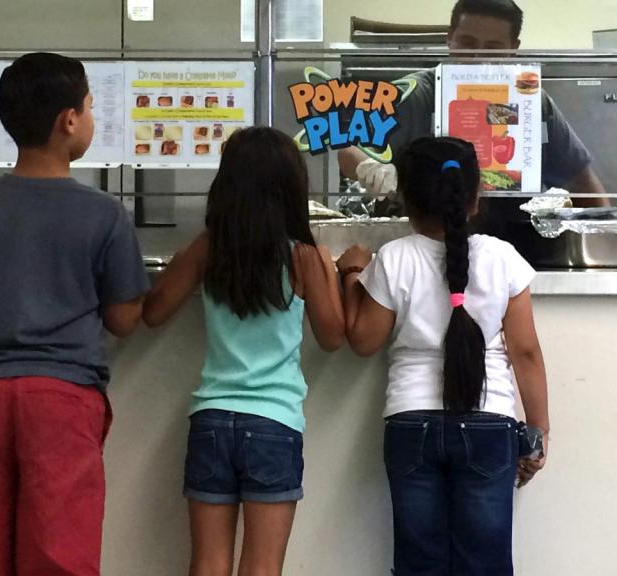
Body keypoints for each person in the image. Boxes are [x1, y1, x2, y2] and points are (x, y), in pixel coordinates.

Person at [0, 52, 150, 576]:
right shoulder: (104, 213)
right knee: (58, 553)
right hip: (63, 397)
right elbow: (123, 319)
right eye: (91, 108)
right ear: (69, 120)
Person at [338, 136, 549, 575]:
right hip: (490, 423)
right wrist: (539, 431)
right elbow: (525, 351)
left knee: (419, 563)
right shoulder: (502, 257)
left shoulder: (394, 258)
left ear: (407, 200)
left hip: (411, 420)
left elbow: (362, 340)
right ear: (474, 197)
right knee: (486, 562)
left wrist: (353, 274)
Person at [142, 127, 345, 576]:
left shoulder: (208, 248)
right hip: (275, 423)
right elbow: (333, 336)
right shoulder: (304, 257)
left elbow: (153, 313)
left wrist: (182, 262)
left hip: (212, 418)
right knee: (262, 566)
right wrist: (333, 272)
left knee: (208, 563)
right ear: (291, 188)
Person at [339, 0, 608, 208]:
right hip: (431, 240)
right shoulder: (417, 93)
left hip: (518, 245)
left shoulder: (531, 100)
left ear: (513, 47)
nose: (478, 56)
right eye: (467, 43)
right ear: (449, 39)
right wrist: (369, 167)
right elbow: (347, 148)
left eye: (492, 47)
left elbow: (584, 184)